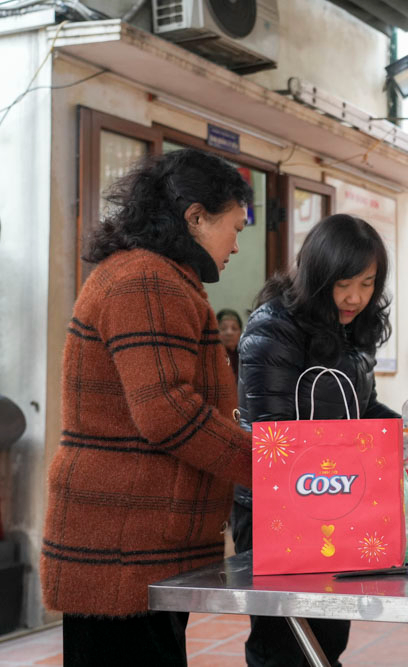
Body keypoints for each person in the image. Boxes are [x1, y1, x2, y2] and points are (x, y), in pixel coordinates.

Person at [41, 148, 254, 667]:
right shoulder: (146, 281)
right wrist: (270, 464)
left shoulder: (160, 277)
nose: (236, 245)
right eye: (235, 227)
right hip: (121, 546)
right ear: (195, 217)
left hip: (138, 544)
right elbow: (168, 411)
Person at [233, 213, 399, 667]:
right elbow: (272, 436)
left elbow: (359, 410)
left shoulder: (353, 328)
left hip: (337, 500)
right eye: (343, 283)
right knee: (284, 646)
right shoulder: (274, 327)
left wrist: (403, 431)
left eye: (367, 284)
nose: (354, 297)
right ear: (317, 273)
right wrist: (362, 455)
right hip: (277, 509)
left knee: (326, 643)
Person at [216, 308, 243, 379]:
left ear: (240, 333)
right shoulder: (210, 358)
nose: (229, 333)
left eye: (234, 328)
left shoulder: (246, 356)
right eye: (223, 328)